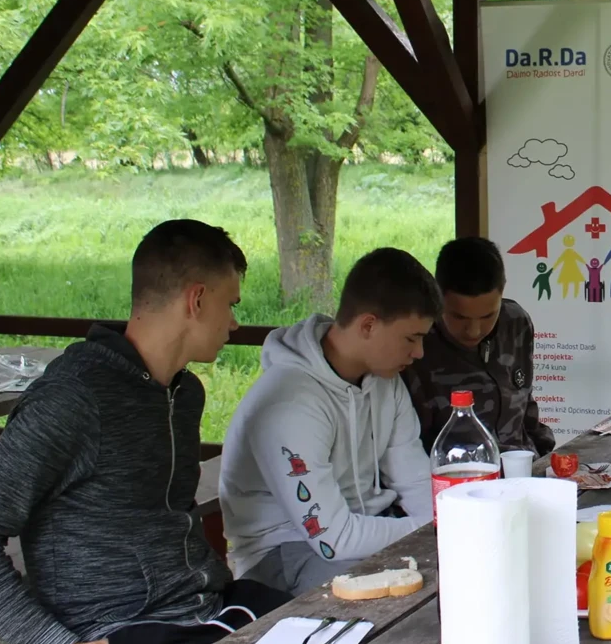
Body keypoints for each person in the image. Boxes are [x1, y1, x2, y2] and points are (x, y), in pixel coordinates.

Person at [0, 220, 290, 644]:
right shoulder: (74, 399)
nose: (235, 323)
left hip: (206, 612)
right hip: (121, 636)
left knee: (344, 636)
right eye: (230, 304)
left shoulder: (184, 394)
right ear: (196, 300)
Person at [221, 248, 439, 595]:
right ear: (368, 325)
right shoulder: (289, 402)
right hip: (285, 551)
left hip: (367, 532)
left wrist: (442, 530)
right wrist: (437, 527)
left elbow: (414, 481)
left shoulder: (386, 380)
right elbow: (333, 540)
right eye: (411, 338)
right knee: (399, 598)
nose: (419, 353)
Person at [404, 237, 556, 456]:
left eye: (487, 316)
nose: (473, 331)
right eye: (459, 317)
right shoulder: (417, 345)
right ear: (438, 296)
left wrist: (544, 456)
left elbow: (525, 405)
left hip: (523, 464)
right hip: (457, 472)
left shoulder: (515, 322)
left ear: (502, 291)